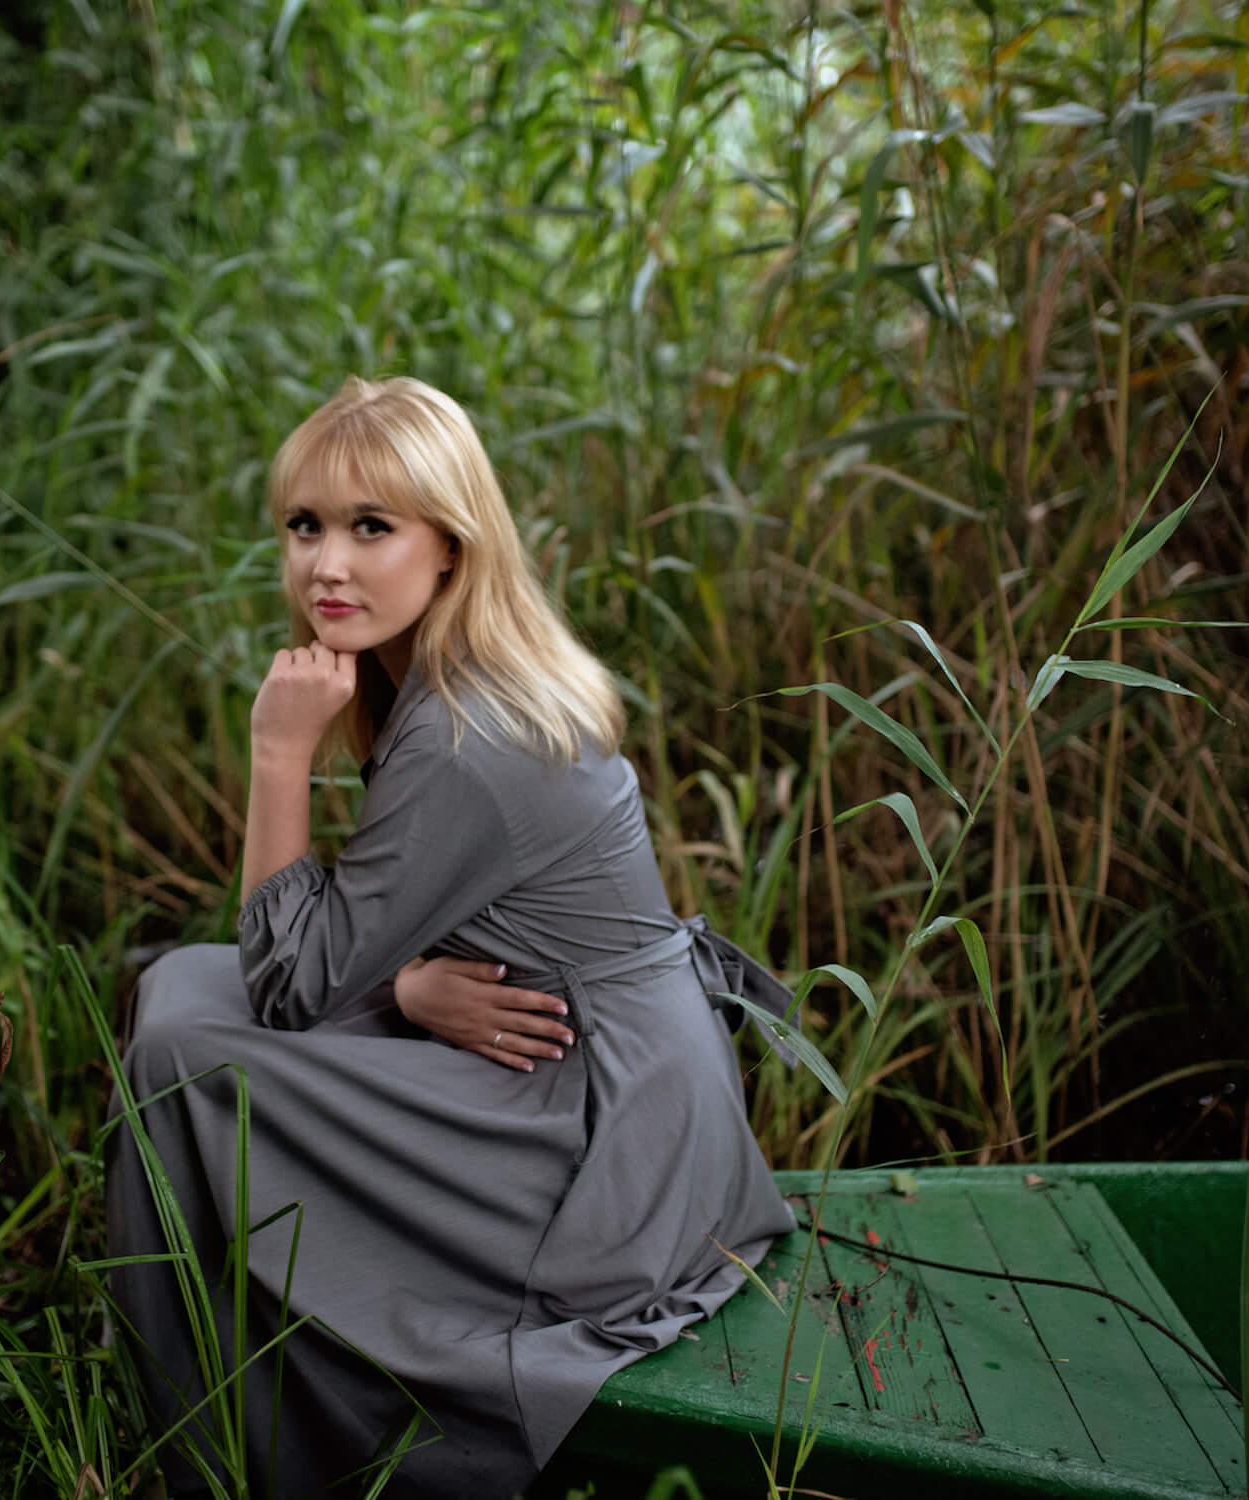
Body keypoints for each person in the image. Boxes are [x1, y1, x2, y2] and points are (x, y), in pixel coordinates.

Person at [107, 376, 798, 1499]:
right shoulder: (454, 679)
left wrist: (278, 754)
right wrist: (410, 989)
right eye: (305, 526)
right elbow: (368, 935)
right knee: (186, 979)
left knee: (187, 1055)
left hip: (602, 1138)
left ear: (450, 546)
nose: (326, 565)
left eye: (370, 527)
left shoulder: (466, 735)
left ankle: (230, 1433)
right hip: (588, 1054)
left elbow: (290, 989)